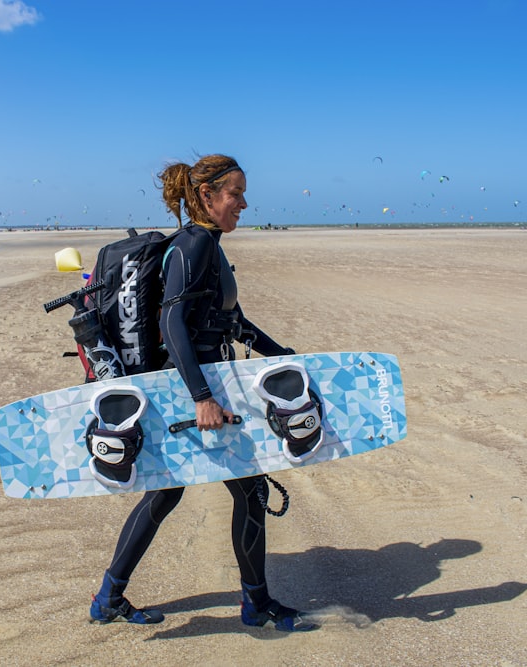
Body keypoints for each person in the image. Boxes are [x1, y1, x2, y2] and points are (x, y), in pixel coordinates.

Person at [89, 154, 317, 632]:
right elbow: (171, 320)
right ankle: (255, 604)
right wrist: (200, 396)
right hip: (189, 389)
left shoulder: (207, 245)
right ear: (207, 196)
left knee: (174, 492)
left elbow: (229, 321)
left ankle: (110, 596)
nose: (244, 203)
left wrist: (278, 355)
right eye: (235, 194)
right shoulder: (193, 245)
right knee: (243, 491)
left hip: (201, 385)